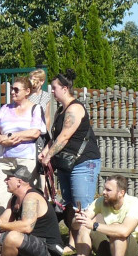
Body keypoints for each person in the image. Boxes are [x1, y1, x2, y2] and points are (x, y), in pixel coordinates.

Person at [54, 174, 138, 256]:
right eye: (104, 188)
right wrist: (78, 219)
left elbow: (124, 231)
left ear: (121, 193)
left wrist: (94, 225)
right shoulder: (101, 201)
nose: (103, 192)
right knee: (84, 227)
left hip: (136, 255)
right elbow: (75, 225)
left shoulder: (134, 204)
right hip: (112, 248)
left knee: (116, 229)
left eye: (108, 190)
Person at [38, 69, 102, 221]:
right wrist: (45, 151)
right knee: (68, 206)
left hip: (83, 163)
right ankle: (73, 243)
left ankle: (84, 243)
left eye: (54, 88)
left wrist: (49, 156)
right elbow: (56, 137)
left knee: (81, 208)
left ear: (65, 89)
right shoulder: (60, 110)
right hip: (66, 163)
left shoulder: (75, 108)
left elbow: (65, 136)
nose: (52, 91)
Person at [0, 76, 46, 210]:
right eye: (11, 89)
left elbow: (34, 133)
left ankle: (24, 224)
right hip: (6, 158)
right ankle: (0, 227)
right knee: (0, 193)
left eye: (16, 89)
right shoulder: (5, 108)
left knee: (24, 195)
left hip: (26, 158)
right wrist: (1, 139)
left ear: (27, 91)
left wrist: (13, 136)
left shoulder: (35, 109)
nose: (12, 92)